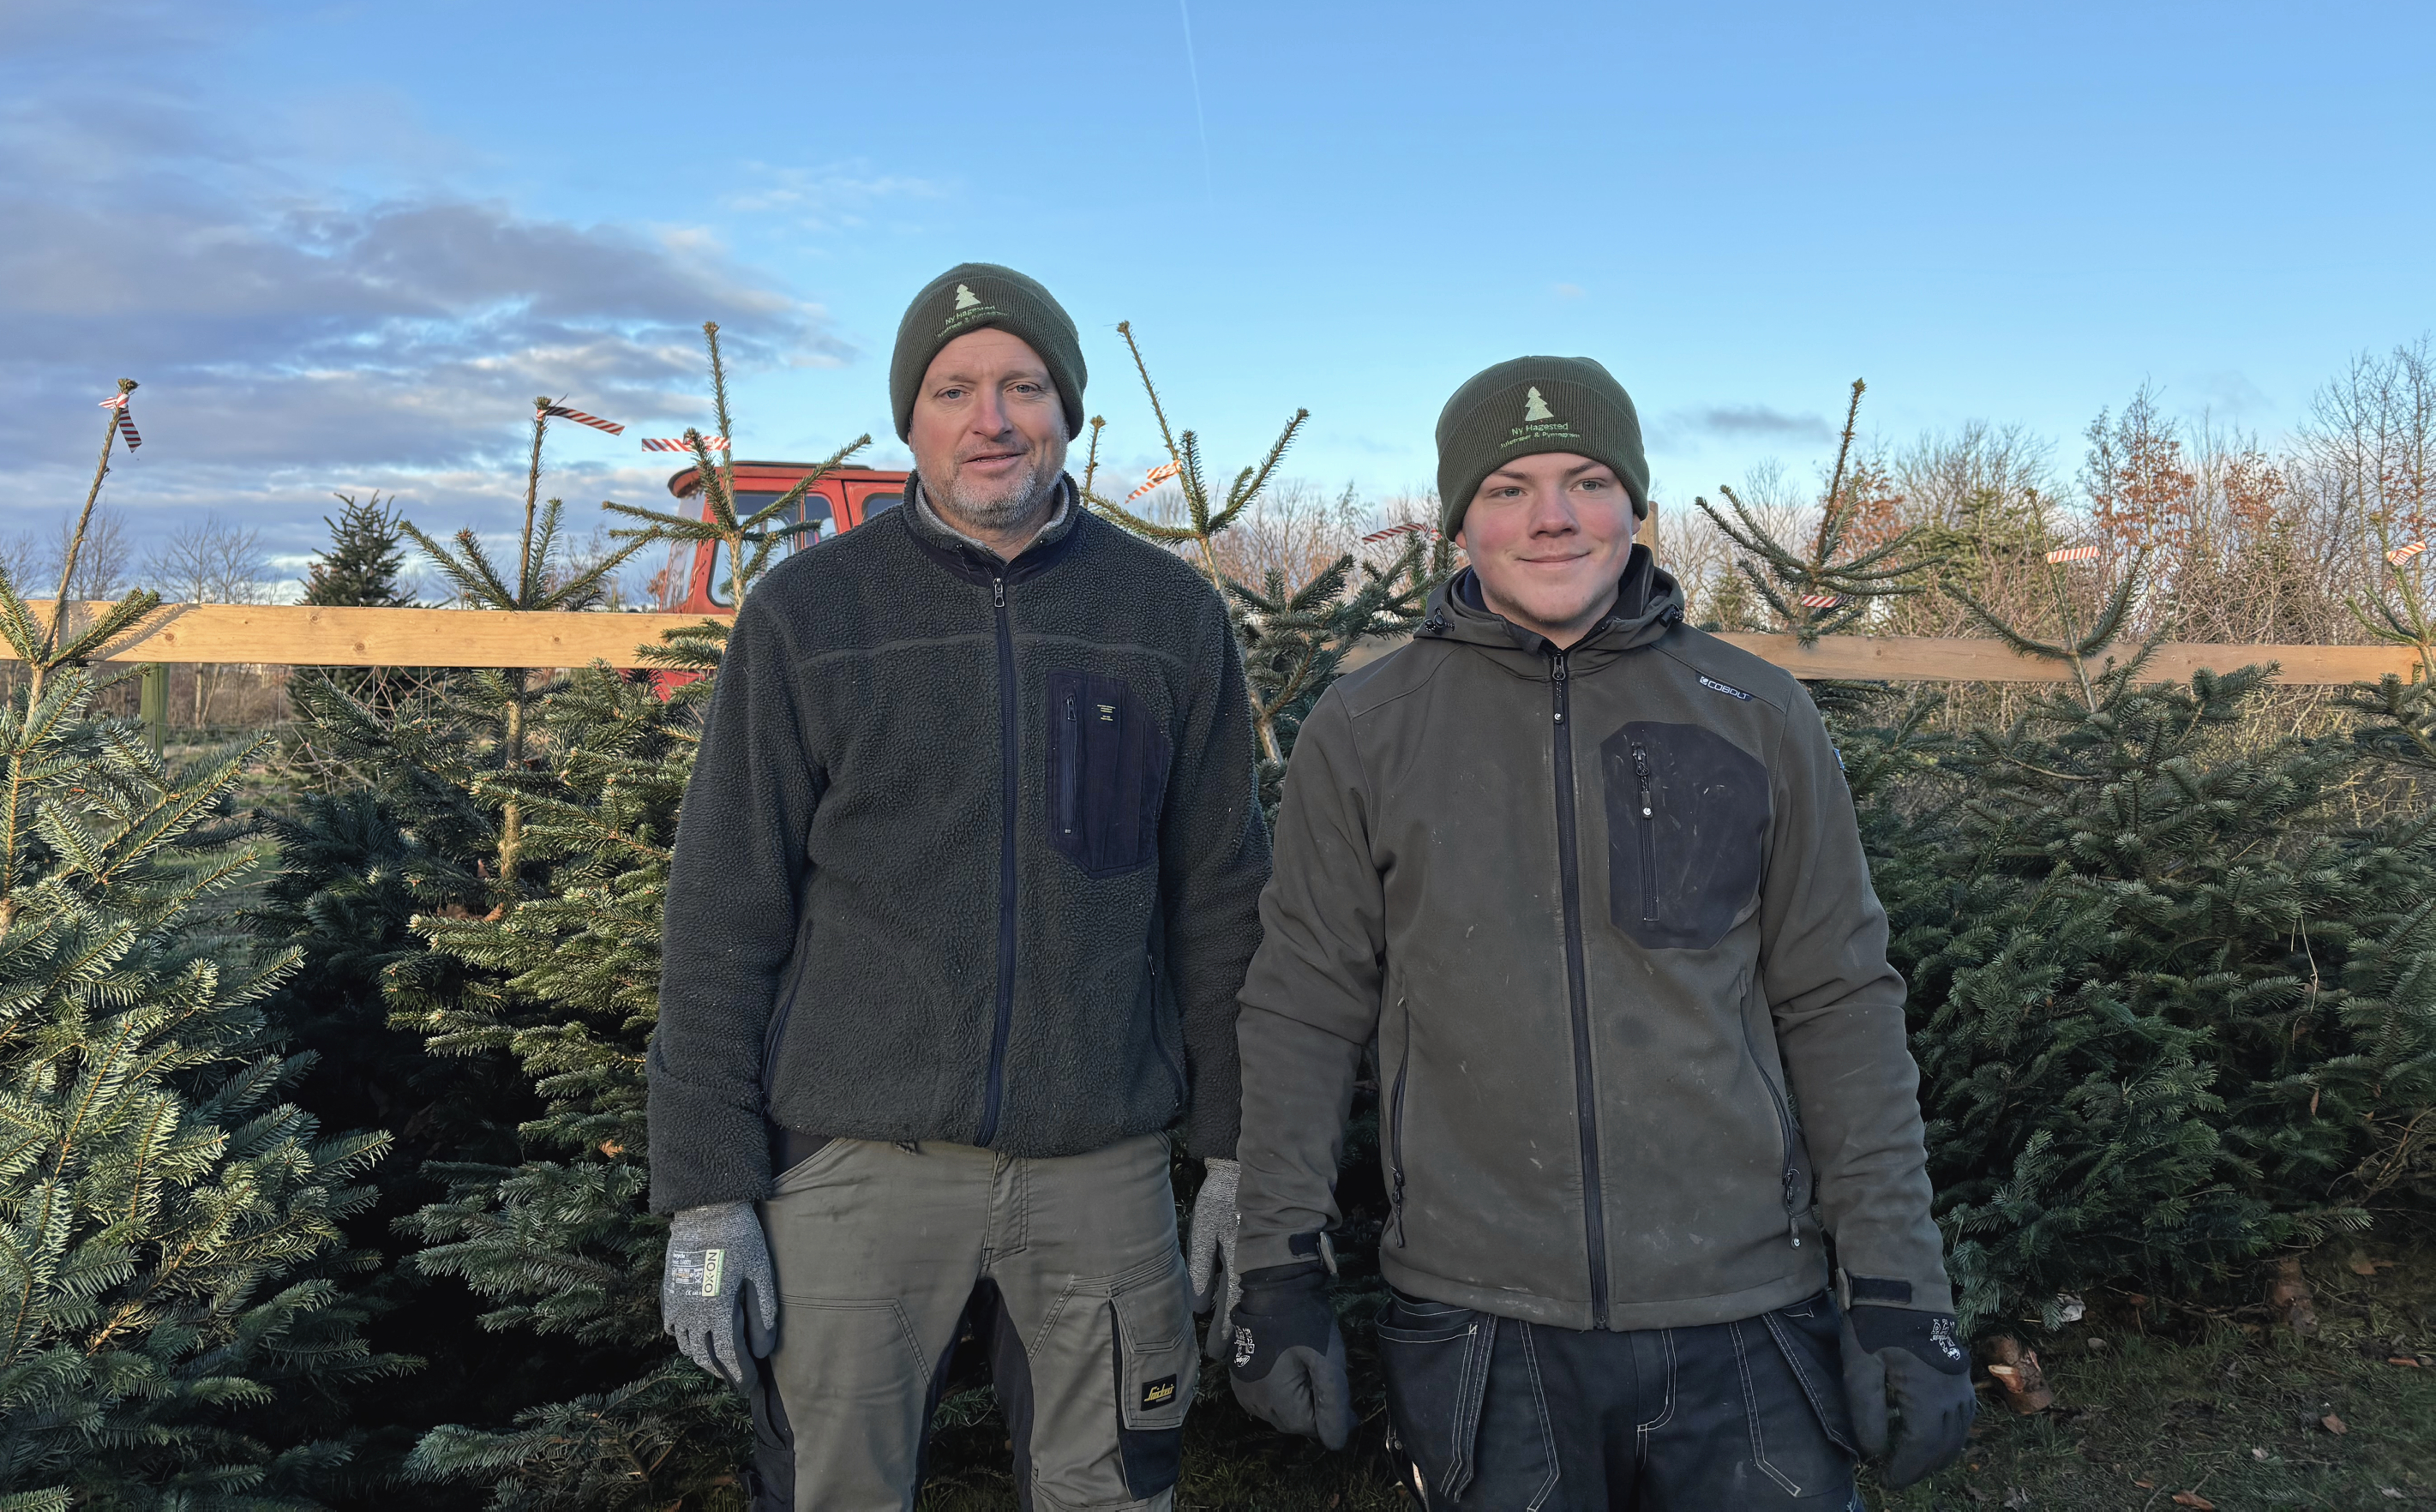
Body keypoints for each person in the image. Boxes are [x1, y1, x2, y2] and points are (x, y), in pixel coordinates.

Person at [1223, 357, 1973, 1509]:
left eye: (1585, 480)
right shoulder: (1366, 730)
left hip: (1747, 1319)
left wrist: (1897, 1293)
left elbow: (1840, 1004)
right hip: (1481, 1330)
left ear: (1638, 508)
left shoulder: (1759, 716)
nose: (1553, 515)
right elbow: (1305, 1010)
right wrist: (1279, 1270)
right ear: (1457, 519)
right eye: (1511, 487)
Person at [649, 262, 1269, 1512]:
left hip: (1101, 1161)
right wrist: (709, 1191)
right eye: (954, 390)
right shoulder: (807, 614)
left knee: (1114, 1490)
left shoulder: (1167, 616)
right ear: (911, 420)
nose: (991, 418)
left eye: (1023, 386)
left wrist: (1247, 1159)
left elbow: (1221, 908)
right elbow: (724, 911)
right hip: (854, 1161)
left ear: (1067, 411)